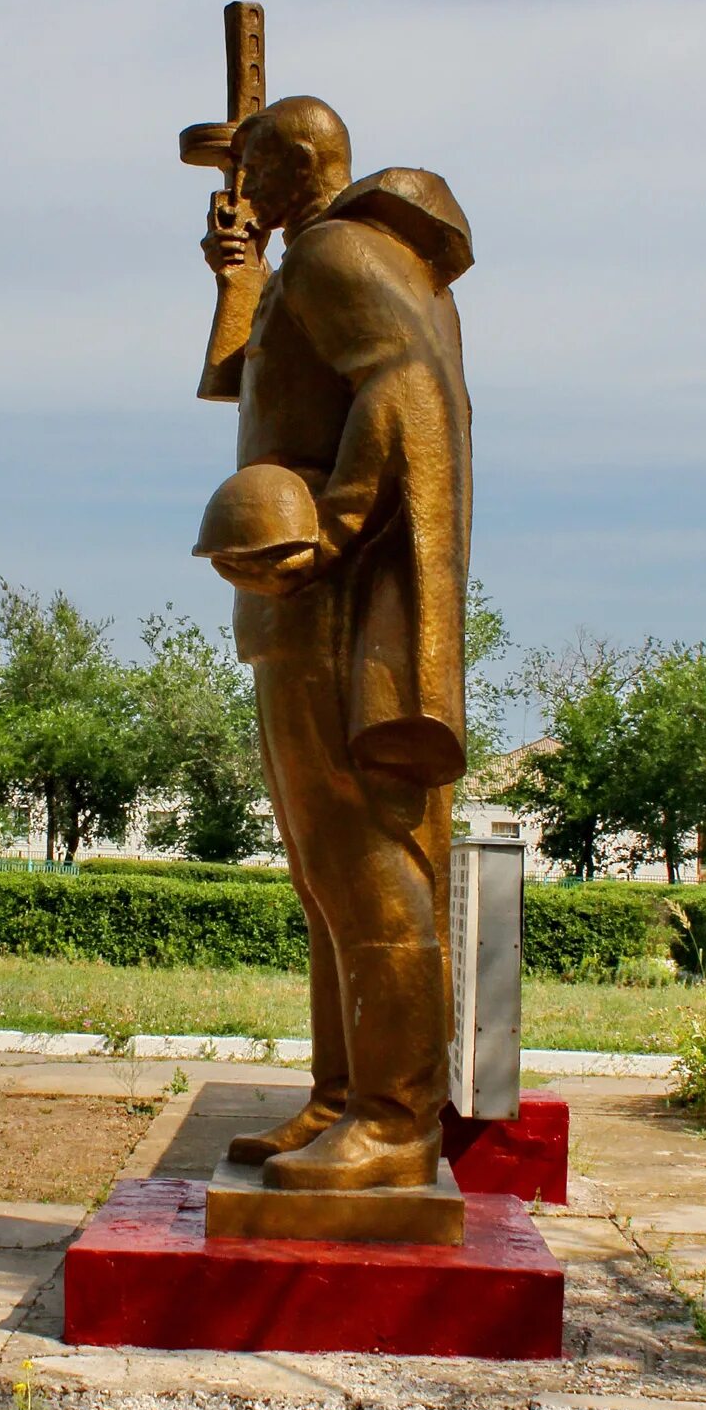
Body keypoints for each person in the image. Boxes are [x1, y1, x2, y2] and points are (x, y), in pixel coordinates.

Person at [194, 94, 474, 1191]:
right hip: (292, 613)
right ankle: (340, 1096)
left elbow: (410, 387)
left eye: (249, 171)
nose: (237, 192)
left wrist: (340, 526)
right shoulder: (302, 265)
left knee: (368, 868)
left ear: (292, 165)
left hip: (331, 604)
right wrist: (235, 278)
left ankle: (397, 1121)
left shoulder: (338, 254)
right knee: (325, 876)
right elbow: (247, 386)